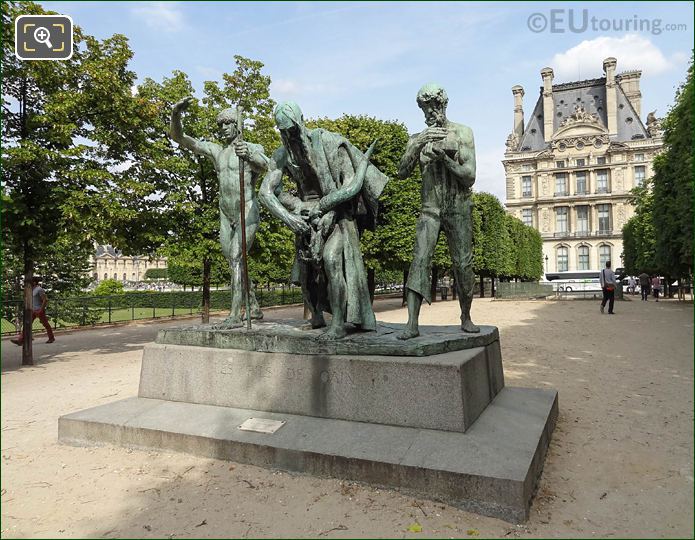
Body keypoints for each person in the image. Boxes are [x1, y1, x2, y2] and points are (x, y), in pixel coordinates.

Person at [259, 101, 387, 340]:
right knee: (308, 273)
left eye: (292, 130)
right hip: (305, 216)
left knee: (330, 260)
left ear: (301, 121)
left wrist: (328, 210)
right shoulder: (281, 154)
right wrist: (293, 211)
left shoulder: (330, 142)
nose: (289, 136)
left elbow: (350, 185)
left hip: (338, 214)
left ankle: (338, 323)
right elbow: (267, 193)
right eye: (283, 131)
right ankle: (317, 315)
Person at [171, 97, 270, 328]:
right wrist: (176, 114)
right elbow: (181, 139)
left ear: (238, 125)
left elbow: (268, 166)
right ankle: (253, 307)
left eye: (227, 123)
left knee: (236, 258)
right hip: (225, 214)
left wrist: (251, 156)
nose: (223, 128)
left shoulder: (252, 148)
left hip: (247, 212)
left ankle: (236, 315)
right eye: (220, 125)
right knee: (234, 261)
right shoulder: (218, 152)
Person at [397, 83, 478, 340]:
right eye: (424, 108)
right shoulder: (418, 137)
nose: (429, 112)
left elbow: (470, 176)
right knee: (419, 260)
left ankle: (465, 316)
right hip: (429, 208)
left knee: (463, 264)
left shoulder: (463, 133)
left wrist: (445, 157)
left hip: (458, 208)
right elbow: (401, 172)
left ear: (443, 104)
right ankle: (412, 323)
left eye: (433, 106)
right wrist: (417, 144)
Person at [11, 276, 55, 345]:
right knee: (27, 325)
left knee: (46, 324)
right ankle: (20, 340)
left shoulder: (39, 289)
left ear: (34, 282)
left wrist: (41, 310)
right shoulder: (31, 289)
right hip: (32, 310)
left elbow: (45, 300)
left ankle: (51, 338)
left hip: (39, 310)